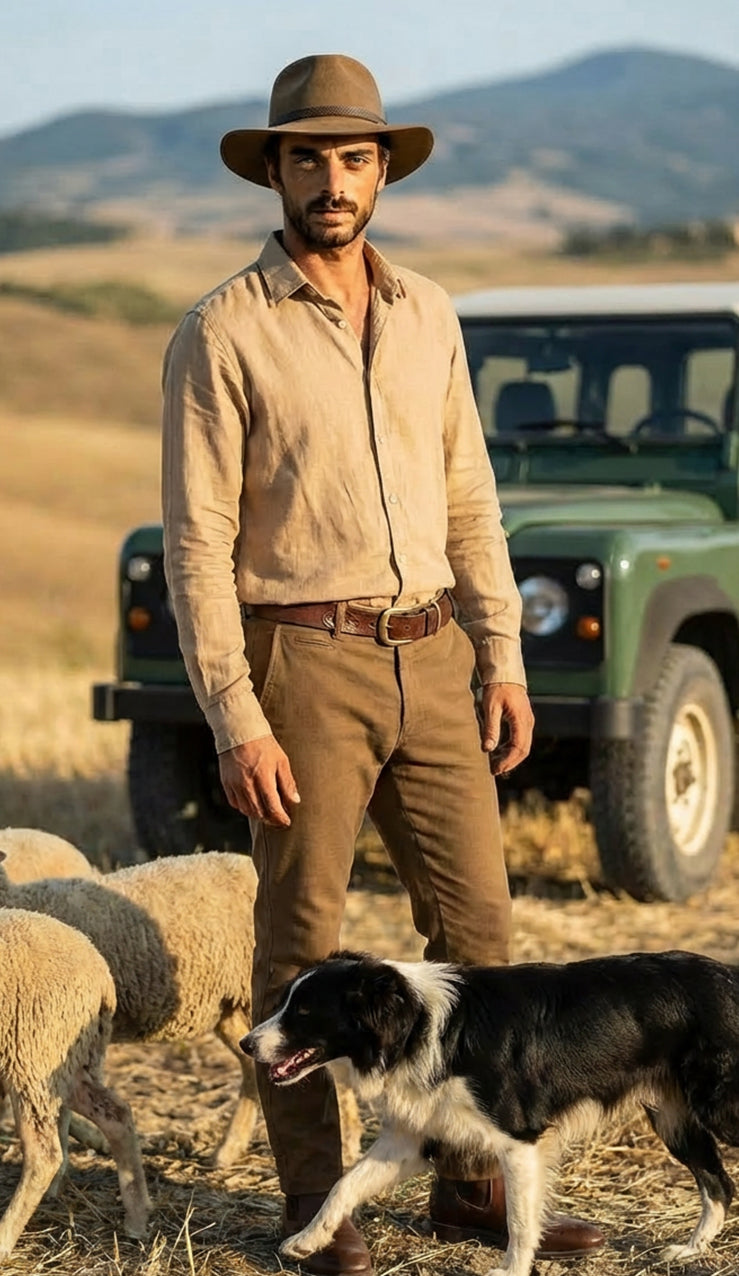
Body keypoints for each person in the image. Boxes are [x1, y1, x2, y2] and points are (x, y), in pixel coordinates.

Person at [161, 53, 604, 1276]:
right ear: (278, 171)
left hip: (437, 655)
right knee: (300, 942)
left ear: (380, 171)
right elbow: (198, 543)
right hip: (303, 660)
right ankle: (321, 1211)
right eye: (308, 157)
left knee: (480, 931)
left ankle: (468, 1186)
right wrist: (236, 715)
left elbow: (470, 496)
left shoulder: (430, 314)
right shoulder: (221, 330)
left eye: (354, 157)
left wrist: (502, 654)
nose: (333, 179)